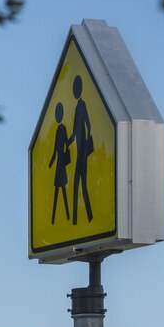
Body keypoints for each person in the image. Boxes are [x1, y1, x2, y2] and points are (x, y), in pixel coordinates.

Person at [68, 75, 93, 225]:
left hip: (82, 153)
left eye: (75, 89)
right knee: (79, 183)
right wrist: (69, 142)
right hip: (79, 151)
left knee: (79, 183)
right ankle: (81, 218)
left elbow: (87, 125)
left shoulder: (82, 106)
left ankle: (80, 219)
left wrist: (86, 144)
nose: (74, 91)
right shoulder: (78, 107)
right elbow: (75, 130)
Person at [48, 102, 71, 224]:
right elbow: (55, 149)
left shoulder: (62, 129)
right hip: (58, 164)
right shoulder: (58, 129)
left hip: (61, 164)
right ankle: (55, 219)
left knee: (62, 191)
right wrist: (50, 163)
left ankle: (66, 216)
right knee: (59, 190)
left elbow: (65, 144)